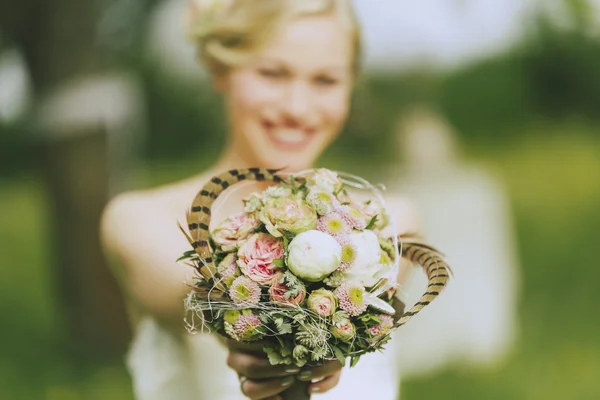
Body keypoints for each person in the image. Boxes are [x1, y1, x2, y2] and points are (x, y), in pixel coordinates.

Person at [101, 1, 419, 399]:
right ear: (220, 70)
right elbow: (187, 293)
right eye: (272, 74)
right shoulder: (141, 220)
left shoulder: (389, 221)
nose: (296, 108)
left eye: (325, 81)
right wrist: (249, 330)